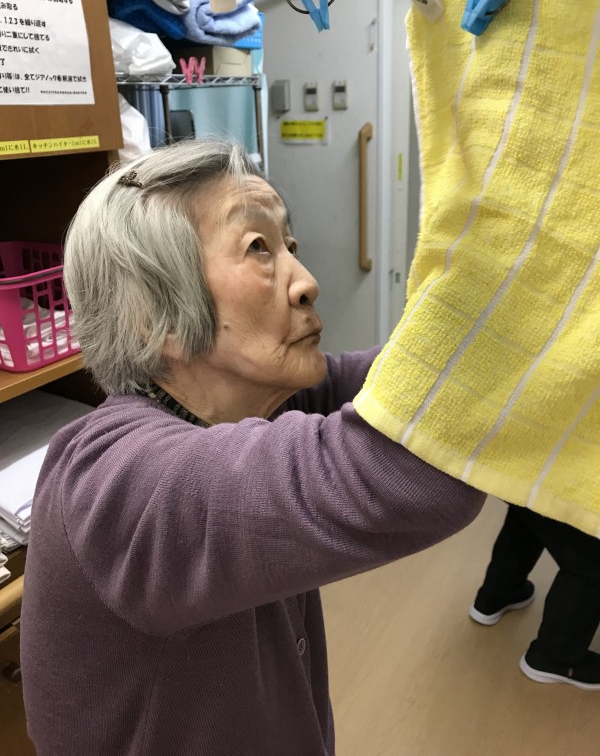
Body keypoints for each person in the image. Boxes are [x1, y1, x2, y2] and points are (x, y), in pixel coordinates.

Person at [19, 139, 484, 756]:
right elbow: (420, 468)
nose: (307, 282)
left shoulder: (259, 401)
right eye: (258, 247)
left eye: (290, 244)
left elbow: (403, 385)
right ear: (152, 314)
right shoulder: (117, 478)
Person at [353, 0, 600, 690]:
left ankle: (496, 594)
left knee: (526, 503)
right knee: (587, 548)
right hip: (541, 412)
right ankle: (553, 655)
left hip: (513, 409)